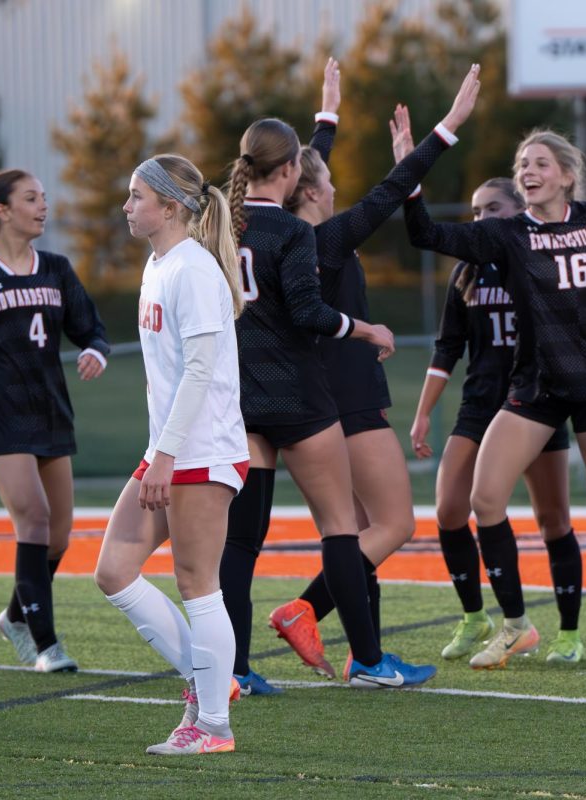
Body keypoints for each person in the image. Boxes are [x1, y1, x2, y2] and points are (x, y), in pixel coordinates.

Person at [218, 66, 480, 692]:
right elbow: (388, 193)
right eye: (322, 176)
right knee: (347, 529)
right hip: (309, 400)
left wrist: (326, 120)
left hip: (242, 396)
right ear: (296, 182)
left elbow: (296, 173)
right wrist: (447, 129)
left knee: (241, 545)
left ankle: (229, 669)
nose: (331, 182)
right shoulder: (313, 238)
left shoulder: (223, 225)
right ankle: (359, 653)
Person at [397, 120, 586, 670]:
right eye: (523, 165)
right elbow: (425, 234)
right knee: (484, 500)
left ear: (566, 175)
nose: (529, 172)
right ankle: (516, 625)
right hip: (535, 385)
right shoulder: (508, 233)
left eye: (540, 164)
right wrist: (411, 171)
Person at [94, 153, 244, 755]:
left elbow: (203, 371)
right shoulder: (159, 266)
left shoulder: (195, 269)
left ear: (171, 206)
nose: (128, 207)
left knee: (197, 584)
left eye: (136, 197)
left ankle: (211, 726)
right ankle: (210, 685)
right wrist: (160, 452)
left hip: (200, 451)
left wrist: (165, 454)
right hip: (170, 450)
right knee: (113, 571)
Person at [409, 177, 582, 664]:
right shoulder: (466, 272)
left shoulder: (537, 263)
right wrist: (423, 412)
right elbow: (447, 349)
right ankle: (478, 618)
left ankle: (569, 633)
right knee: (448, 509)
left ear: (518, 212)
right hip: (480, 405)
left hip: (536, 405)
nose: (482, 219)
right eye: (476, 210)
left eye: (492, 209)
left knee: (553, 520)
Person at [0, 169, 109, 673]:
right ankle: (47, 645)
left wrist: (95, 349)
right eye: (31, 199)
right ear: (2, 210)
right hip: (3, 418)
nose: (43, 206)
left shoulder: (56, 267)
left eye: (44, 198)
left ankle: (14, 616)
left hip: (52, 413)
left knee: (58, 537)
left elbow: (89, 328)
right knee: (32, 519)